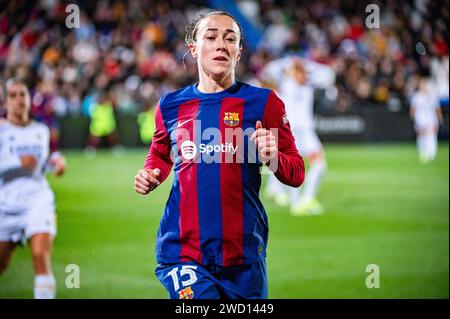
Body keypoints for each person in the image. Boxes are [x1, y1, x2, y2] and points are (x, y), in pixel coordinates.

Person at [134, 10, 305, 299]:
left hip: (244, 254)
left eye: (230, 39)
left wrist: (273, 155)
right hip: (183, 251)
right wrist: (151, 175)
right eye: (211, 37)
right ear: (194, 48)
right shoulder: (170, 105)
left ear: (238, 52)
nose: (220, 45)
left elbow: (297, 174)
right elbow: (161, 156)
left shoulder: (265, 103)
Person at [0, 79, 66, 299]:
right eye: (13, 95)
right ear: (5, 101)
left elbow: (43, 161)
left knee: (40, 257)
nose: (19, 99)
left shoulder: (41, 130)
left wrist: (55, 161)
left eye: (23, 94)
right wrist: (15, 162)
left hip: (38, 200)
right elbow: (17, 162)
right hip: (5, 204)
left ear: (29, 99)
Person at [262, 57, 332, 216]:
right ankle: (298, 202)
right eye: (299, 72)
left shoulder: (307, 86)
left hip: (306, 132)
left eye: (303, 72)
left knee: (318, 166)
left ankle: (303, 200)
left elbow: (327, 74)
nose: (303, 75)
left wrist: (305, 65)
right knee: (301, 167)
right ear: (293, 73)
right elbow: (271, 70)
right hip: (297, 132)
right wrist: (289, 64)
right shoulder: (288, 85)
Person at [409, 77, 443, 163]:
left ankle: (431, 153)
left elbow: (437, 108)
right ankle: (423, 152)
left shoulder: (432, 96)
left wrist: (439, 117)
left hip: (431, 118)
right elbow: (413, 109)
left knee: (431, 135)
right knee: (422, 136)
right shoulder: (416, 96)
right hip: (420, 119)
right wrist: (413, 119)